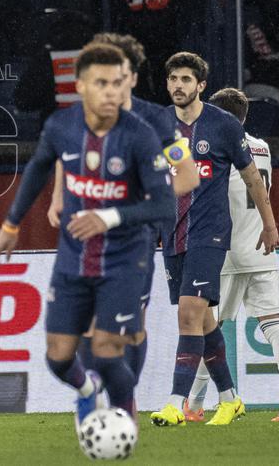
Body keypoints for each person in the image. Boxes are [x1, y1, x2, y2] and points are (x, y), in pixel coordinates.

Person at [0, 43, 176, 431]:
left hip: (125, 258)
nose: (111, 91)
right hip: (73, 258)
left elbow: (164, 206)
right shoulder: (61, 128)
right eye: (101, 83)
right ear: (80, 87)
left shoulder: (141, 135)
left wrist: (108, 216)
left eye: (116, 83)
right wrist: (11, 225)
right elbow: (38, 168)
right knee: (58, 357)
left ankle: (125, 422)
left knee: (107, 350)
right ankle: (86, 387)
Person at [47, 33, 200, 385]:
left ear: (131, 76)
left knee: (131, 326)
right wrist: (58, 195)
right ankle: (96, 396)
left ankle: (122, 395)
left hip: (134, 235)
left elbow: (188, 175)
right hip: (86, 230)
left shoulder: (157, 121)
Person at [150, 52, 279, 427]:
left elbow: (253, 178)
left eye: (186, 79)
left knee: (188, 313)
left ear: (201, 85)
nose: (178, 85)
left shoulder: (223, 125)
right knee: (205, 321)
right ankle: (231, 399)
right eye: (173, 78)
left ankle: (176, 403)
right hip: (172, 235)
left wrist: (269, 226)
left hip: (210, 233)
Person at [186, 88, 279, 422]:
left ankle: (193, 405)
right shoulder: (262, 147)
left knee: (208, 328)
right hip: (259, 249)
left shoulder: (215, 147)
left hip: (223, 251)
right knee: (273, 324)